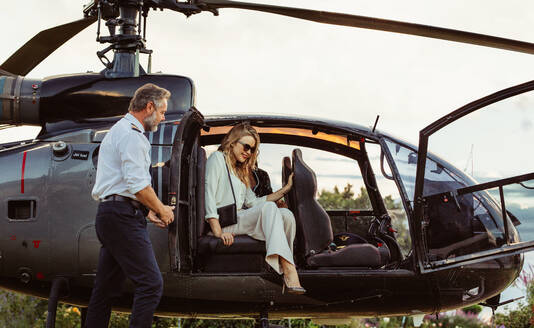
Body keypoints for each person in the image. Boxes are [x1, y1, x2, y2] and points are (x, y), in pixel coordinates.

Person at [86, 83, 174, 328]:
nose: (163, 117)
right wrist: (162, 209)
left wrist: (146, 210)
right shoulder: (132, 136)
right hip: (121, 218)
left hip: (113, 215)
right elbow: (138, 186)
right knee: (151, 284)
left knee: (104, 290)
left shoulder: (120, 130)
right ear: (149, 107)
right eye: (162, 111)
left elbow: (125, 185)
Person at [205, 123, 305, 294]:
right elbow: (208, 194)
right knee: (268, 209)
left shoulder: (239, 171)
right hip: (224, 222)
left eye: (252, 149)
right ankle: (289, 269)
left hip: (239, 218)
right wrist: (218, 232)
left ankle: (280, 269)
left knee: (286, 215)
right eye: (246, 146)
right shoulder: (217, 159)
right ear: (232, 142)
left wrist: (286, 189)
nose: (249, 152)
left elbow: (255, 202)